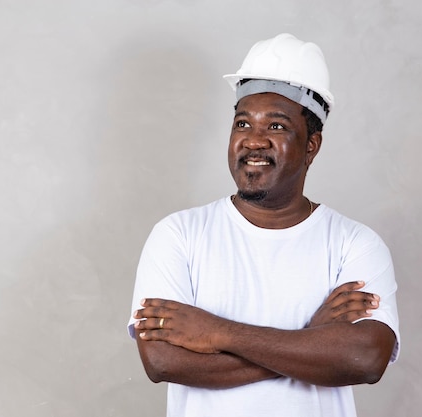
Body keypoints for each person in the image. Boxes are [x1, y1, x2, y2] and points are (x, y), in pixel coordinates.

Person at [127, 33, 400, 417]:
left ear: (311, 145)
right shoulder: (179, 235)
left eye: (276, 127)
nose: (253, 141)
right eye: (242, 123)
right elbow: (162, 361)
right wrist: (312, 341)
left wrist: (216, 333)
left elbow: (364, 359)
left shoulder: (354, 244)